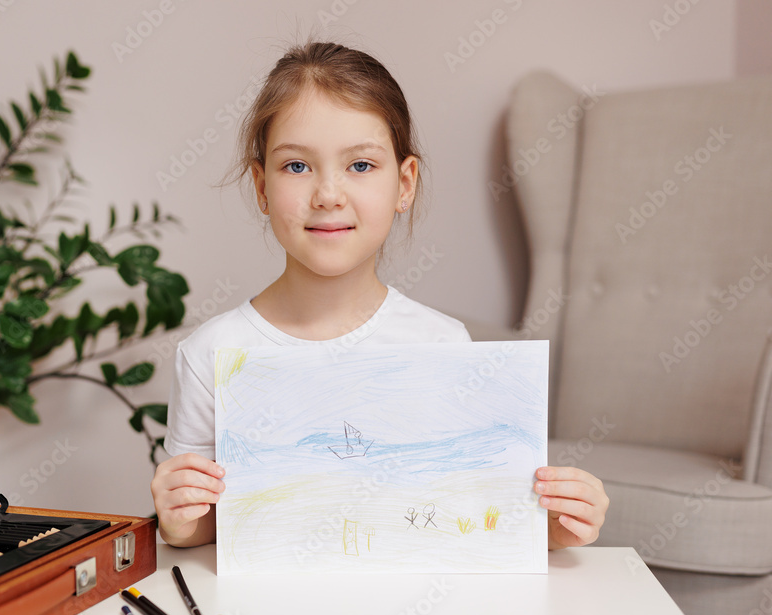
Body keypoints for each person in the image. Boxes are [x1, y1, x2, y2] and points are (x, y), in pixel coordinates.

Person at [150, 41, 608, 550]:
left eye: (361, 166)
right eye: (296, 166)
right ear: (261, 187)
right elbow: (213, 525)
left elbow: (468, 517)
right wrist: (179, 520)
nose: (328, 194)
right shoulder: (209, 354)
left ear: (404, 185)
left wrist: (554, 525)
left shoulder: (442, 346)